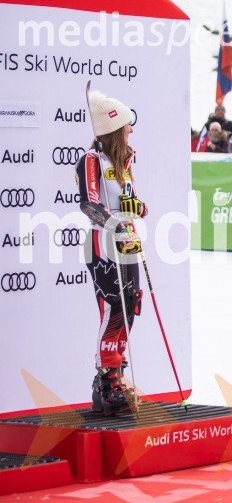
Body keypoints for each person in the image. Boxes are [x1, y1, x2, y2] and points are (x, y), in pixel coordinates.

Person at [76, 90, 146, 416]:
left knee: (130, 308)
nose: (131, 130)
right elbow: (90, 204)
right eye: (127, 125)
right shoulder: (92, 160)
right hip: (102, 247)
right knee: (113, 309)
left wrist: (137, 209)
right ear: (114, 127)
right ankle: (105, 383)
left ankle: (117, 378)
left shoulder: (125, 162)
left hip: (128, 245)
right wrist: (114, 224)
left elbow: (131, 204)